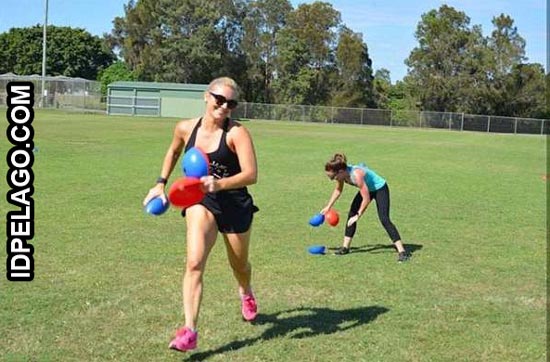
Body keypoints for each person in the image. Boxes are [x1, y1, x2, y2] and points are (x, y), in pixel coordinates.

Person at [142, 77, 259, 352]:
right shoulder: (185, 128)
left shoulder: (236, 133)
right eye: (219, 100)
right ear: (206, 97)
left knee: (239, 265)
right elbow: (172, 152)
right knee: (194, 262)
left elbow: (251, 174)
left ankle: (246, 291)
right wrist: (160, 183)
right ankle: (189, 331)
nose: (224, 107)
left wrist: (219, 183)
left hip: (234, 202)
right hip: (201, 200)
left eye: (231, 103)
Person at [321, 153, 410, 262]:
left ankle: (402, 252)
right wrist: (328, 207)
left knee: (384, 219)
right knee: (351, 214)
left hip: (380, 189)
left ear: (340, 172)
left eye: (333, 177)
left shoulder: (356, 175)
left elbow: (366, 199)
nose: (333, 180)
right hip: (367, 189)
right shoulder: (341, 174)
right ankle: (345, 248)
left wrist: (358, 215)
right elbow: (338, 190)